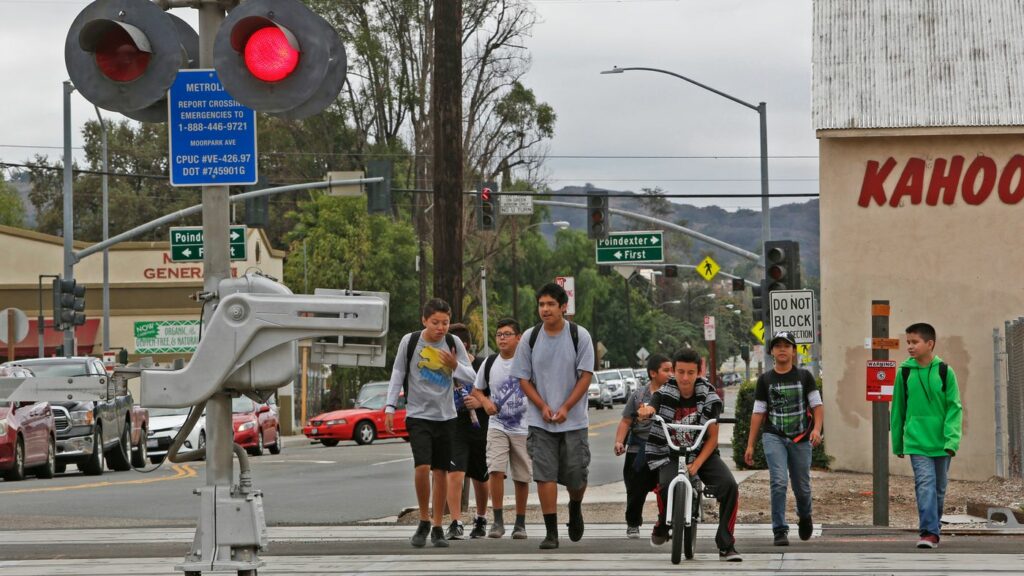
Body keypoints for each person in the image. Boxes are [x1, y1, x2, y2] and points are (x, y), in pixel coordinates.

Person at [384, 298, 476, 548]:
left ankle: (437, 525)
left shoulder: (453, 342)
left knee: (440, 471)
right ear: (424, 320)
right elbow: (398, 373)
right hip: (418, 415)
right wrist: (390, 407)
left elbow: (471, 377)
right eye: (435, 322)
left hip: (446, 416)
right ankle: (423, 518)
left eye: (445, 322)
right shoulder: (410, 341)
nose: (441, 327)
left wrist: (455, 364)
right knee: (422, 467)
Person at [511, 282, 595, 549]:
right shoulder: (529, 337)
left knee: (576, 476)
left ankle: (575, 505)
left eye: (550, 304)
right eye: (541, 304)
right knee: (544, 475)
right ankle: (551, 533)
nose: (545, 309)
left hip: (574, 421)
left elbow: (585, 377)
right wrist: (542, 406)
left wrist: (567, 407)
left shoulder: (579, 336)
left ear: (563, 307)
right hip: (540, 421)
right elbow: (523, 378)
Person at [639, 349, 742, 562]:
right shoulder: (664, 392)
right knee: (665, 486)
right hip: (671, 451)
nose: (685, 378)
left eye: (690, 372)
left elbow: (712, 438)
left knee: (729, 486)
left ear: (699, 372)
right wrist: (647, 411)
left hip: (702, 452)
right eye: (680, 372)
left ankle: (726, 544)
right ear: (673, 371)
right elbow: (651, 405)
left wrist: (696, 465)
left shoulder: (709, 396)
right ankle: (663, 522)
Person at [744, 331, 824, 546]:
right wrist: (750, 444)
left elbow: (817, 405)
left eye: (787, 345)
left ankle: (805, 515)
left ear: (794, 351)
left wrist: (816, 429)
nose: (782, 349)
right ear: (771, 351)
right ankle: (779, 529)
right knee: (778, 482)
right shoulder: (765, 380)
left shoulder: (804, 377)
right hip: (774, 436)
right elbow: (758, 413)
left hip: (800, 438)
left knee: (802, 487)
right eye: (777, 345)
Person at [890, 322, 962, 549]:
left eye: (915, 342)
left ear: (929, 344)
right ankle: (929, 532)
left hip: (941, 442)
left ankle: (933, 527)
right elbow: (898, 409)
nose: (910, 346)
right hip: (916, 440)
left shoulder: (945, 371)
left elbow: (954, 407)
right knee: (925, 484)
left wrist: (952, 440)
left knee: (939, 488)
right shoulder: (904, 372)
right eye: (908, 342)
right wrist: (898, 443)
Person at [471, 318, 531, 539]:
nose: (502, 338)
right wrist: (485, 402)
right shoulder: (490, 363)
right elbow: (477, 390)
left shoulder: (528, 362)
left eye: (507, 334)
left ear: (519, 337)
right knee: (496, 470)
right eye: (499, 335)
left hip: (524, 427)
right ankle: (497, 521)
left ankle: (520, 523)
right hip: (497, 425)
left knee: (522, 476)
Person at [613, 353, 671, 539]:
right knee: (636, 488)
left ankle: (666, 521)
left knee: (668, 487)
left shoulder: (674, 394)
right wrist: (619, 441)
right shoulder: (638, 395)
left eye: (672, 370)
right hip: (640, 448)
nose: (671, 374)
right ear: (653, 373)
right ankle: (633, 523)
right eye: (666, 370)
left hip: (666, 447)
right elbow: (626, 421)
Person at [444, 323, 491, 540]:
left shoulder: (483, 366)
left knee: (480, 476)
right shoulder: (441, 368)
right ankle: (455, 522)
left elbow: (495, 397)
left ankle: (481, 518)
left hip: (479, 427)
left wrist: (479, 402)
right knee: (455, 473)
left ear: (464, 346)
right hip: (455, 427)